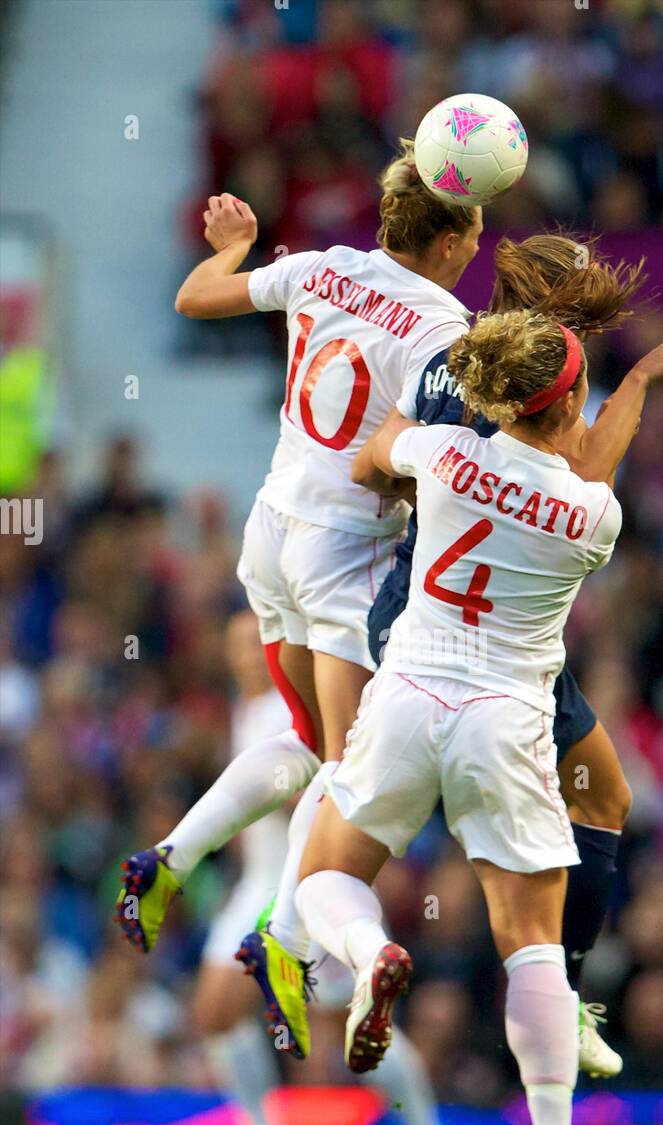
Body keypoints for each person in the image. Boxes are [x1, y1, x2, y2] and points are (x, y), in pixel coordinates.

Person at [287, 311, 663, 1125]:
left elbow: (377, 451)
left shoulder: (443, 453)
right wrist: (638, 389)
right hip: (506, 725)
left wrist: (409, 402)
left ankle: (370, 958)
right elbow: (587, 471)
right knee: (531, 948)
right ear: (572, 405)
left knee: (325, 874)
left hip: (406, 694)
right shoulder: (597, 516)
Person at [116, 140, 482, 1060]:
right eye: (474, 229)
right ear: (446, 241)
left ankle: (174, 856)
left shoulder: (320, 267)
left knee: (317, 741)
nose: (476, 247)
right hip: (344, 550)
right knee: (353, 761)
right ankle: (282, 938)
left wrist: (235, 245)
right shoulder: (444, 327)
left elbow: (194, 297)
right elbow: (407, 459)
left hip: (270, 527)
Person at [197, 613, 457, 1125]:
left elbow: (321, 798)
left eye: (254, 643)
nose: (246, 655)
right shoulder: (247, 711)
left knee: (350, 1025)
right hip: (257, 887)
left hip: (303, 883)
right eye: (236, 644)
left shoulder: (299, 713)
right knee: (218, 1012)